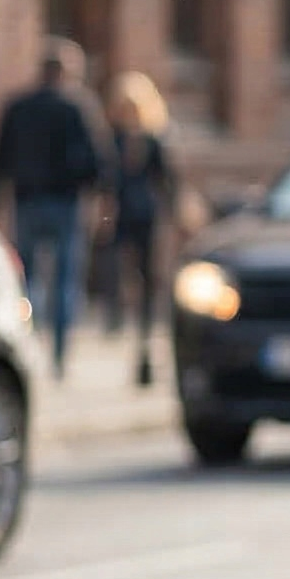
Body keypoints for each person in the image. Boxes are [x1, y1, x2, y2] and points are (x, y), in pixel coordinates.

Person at [0, 37, 104, 377]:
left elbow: (1, 158)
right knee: (65, 282)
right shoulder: (78, 107)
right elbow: (96, 163)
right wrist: (96, 198)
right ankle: (59, 356)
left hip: (27, 202)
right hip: (65, 204)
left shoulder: (18, 106)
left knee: (29, 280)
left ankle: (30, 346)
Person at [102, 70, 182, 389]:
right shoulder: (115, 139)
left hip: (146, 214)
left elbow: (168, 181)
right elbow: (107, 177)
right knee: (115, 266)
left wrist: (172, 216)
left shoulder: (154, 138)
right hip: (121, 213)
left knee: (148, 273)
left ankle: (146, 325)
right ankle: (116, 314)